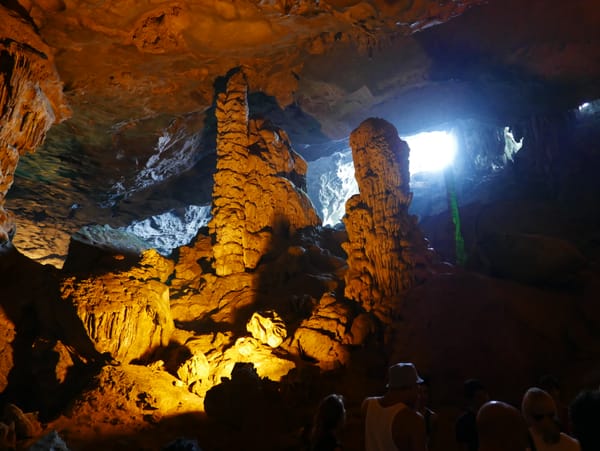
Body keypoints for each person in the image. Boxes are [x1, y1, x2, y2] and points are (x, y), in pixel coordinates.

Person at [362, 362, 427, 451]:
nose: (418, 394)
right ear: (410, 388)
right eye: (417, 388)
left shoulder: (367, 404)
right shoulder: (413, 420)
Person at [455, 378, 490, 451]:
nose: (485, 399)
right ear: (471, 400)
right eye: (480, 397)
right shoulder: (464, 422)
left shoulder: (491, 417)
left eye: (485, 395)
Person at [416, 377, 438, 448]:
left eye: (425, 392)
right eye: (419, 392)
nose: (422, 396)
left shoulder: (432, 417)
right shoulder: (407, 415)